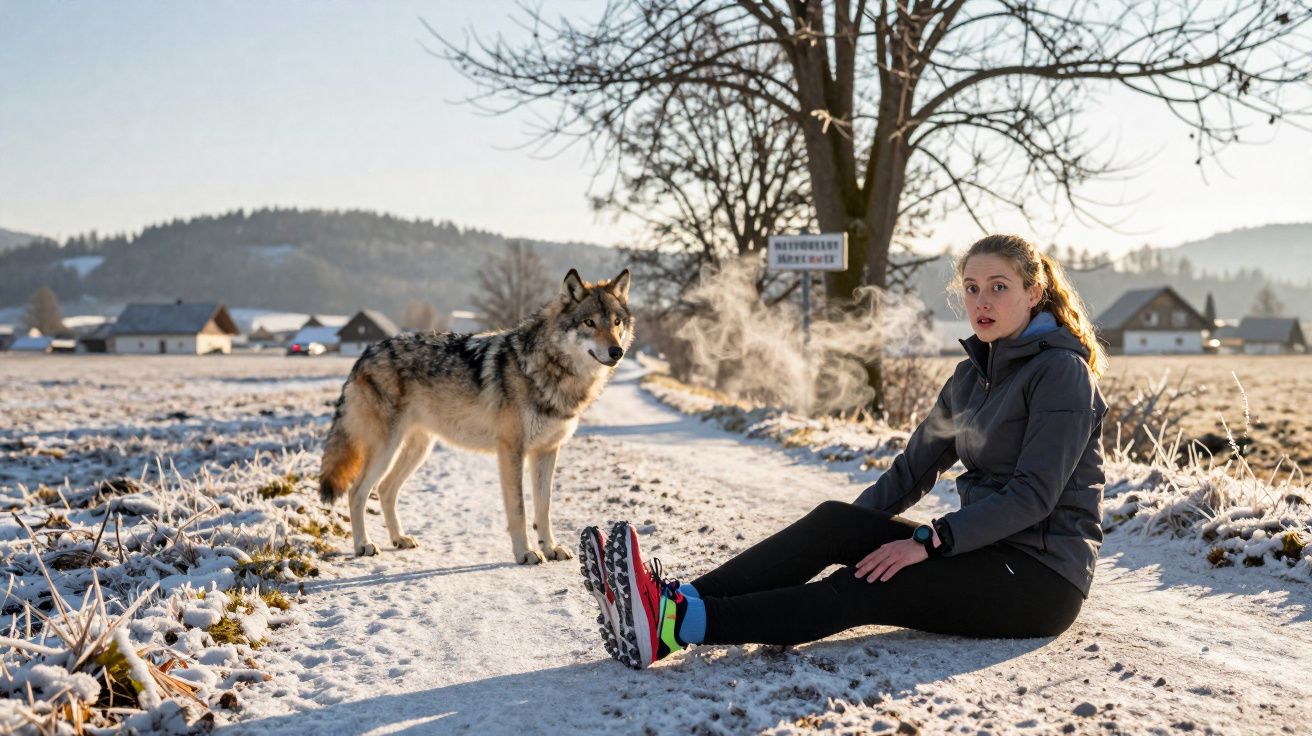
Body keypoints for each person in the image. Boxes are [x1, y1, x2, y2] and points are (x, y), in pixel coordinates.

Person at [579, 234, 1110, 670]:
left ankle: (681, 625)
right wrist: (853, 531)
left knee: (866, 583)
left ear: (1034, 291)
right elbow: (911, 472)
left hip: (1040, 578)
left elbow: (1034, 496)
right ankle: (671, 606)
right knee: (837, 521)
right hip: (985, 552)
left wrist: (931, 540)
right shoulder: (972, 376)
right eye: (972, 288)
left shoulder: (1062, 372)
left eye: (999, 287)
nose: (982, 302)